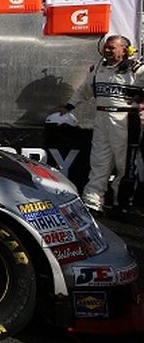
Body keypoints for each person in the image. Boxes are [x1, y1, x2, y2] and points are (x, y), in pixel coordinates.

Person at [55, 35, 144, 214]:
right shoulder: (98, 67)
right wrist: (69, 107)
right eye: (107, 47)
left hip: (126, 119)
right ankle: (93, 202)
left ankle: (121, 204)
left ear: (125, 50)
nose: (108, 50)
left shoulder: (136, 68)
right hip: (102, 117)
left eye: (112, 48)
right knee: (98, 162)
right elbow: (84, 90)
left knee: (125, 166)